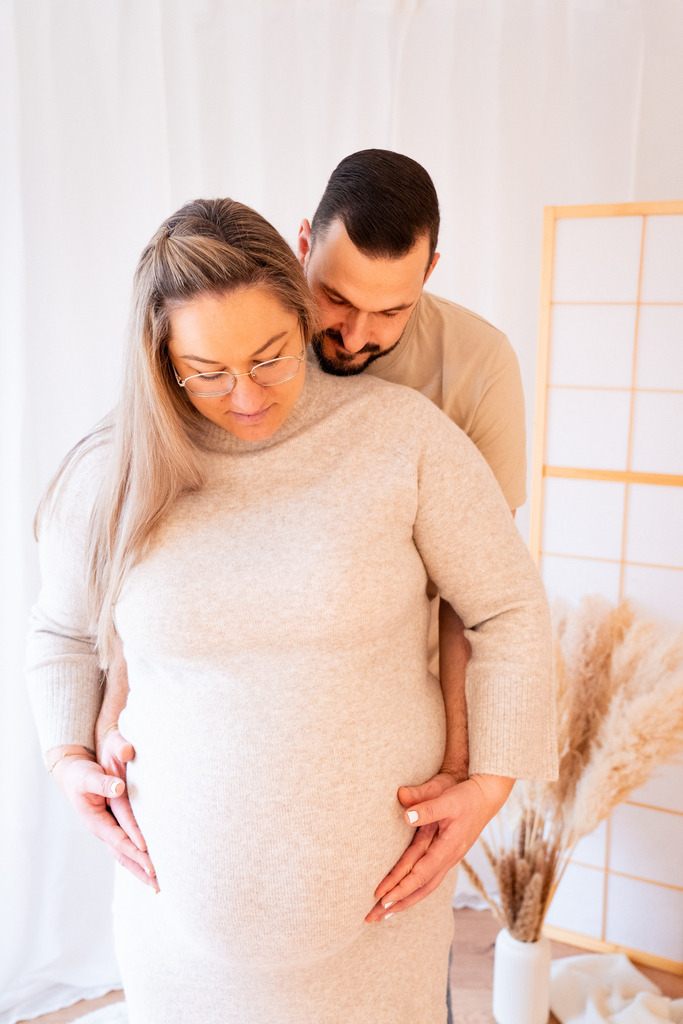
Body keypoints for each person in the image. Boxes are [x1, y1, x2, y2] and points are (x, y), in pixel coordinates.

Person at [27, 197, 556, 1023]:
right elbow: (59, 629)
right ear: (161, 359)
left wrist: (490, 780)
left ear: (301, 310)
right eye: (207, 371)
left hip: (384, 925)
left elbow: (508, 608)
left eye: (270, 357)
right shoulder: (112, 471)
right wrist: (66, 759)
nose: (244, 397)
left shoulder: (400, 437)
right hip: (177, 938)